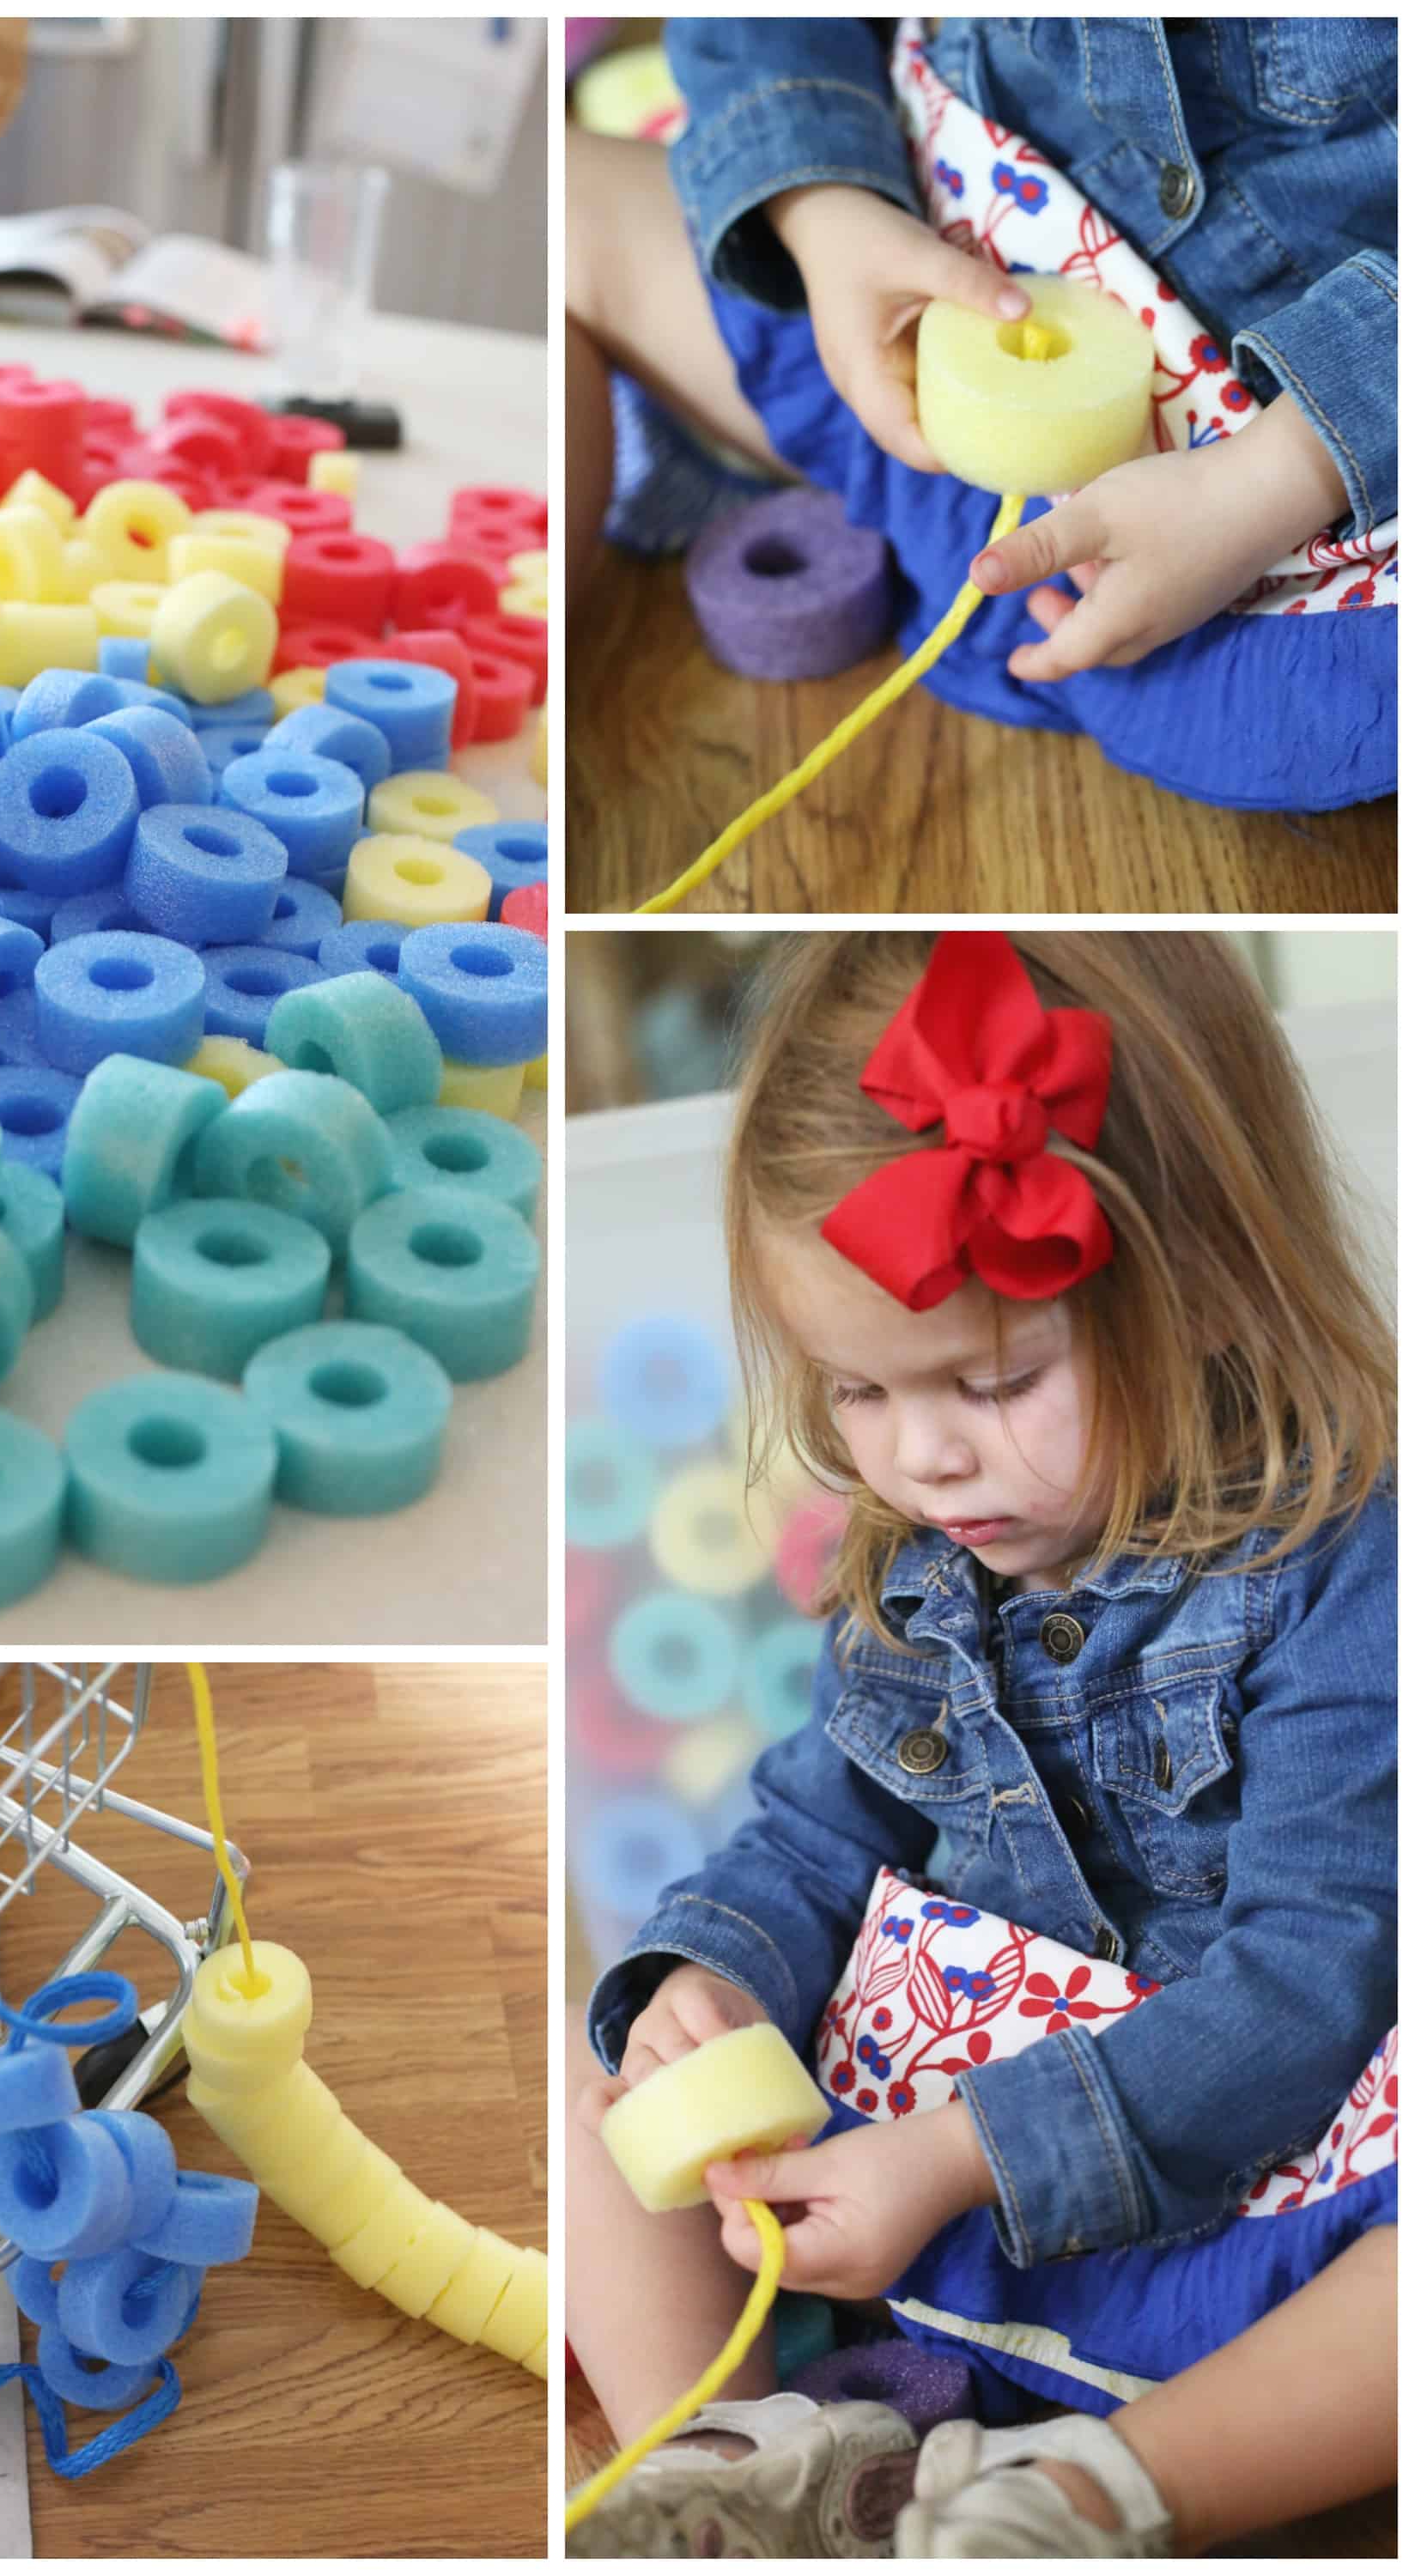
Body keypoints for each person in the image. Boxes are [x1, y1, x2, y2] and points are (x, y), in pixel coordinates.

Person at [568, 931, 1395, 2555]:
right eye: (857, 1395)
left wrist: (960, 2159)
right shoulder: (912, 1563)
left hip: (1263, 2219)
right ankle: (737, 2462)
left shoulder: (1348, 1565)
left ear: (1213, 1286)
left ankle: (1091, 2497)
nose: (925, 1458)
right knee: (584, 2067)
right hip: (921, 2207)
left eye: (999, 1377)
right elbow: (817, 1839)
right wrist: (709, 1985)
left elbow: (1310, 1976)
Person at [568, 22, 1398, 811]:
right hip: (901, 317)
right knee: (568, 206)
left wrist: (1274, 475)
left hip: (1273, 567)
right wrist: (821, 210)